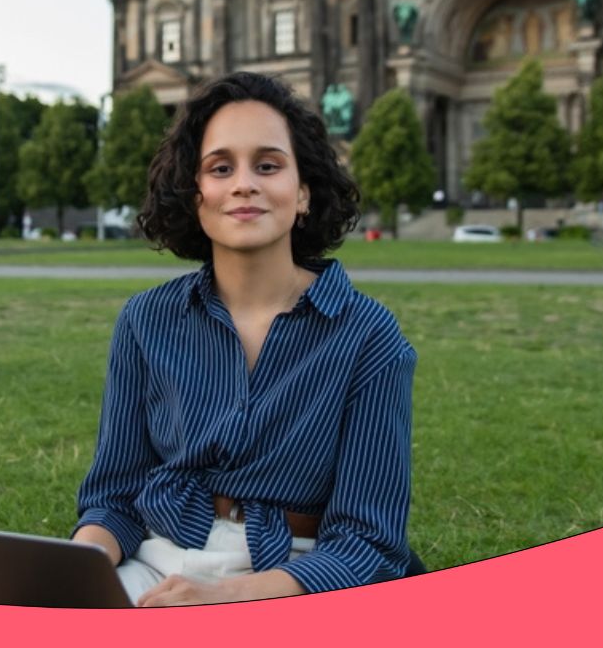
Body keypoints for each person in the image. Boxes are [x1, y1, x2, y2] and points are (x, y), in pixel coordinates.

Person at [71, 71, 419, 606]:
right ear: (195, 195)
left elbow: (366, 541)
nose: (243, 184)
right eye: (220, 167)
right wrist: (80, 571)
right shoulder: (145, 320)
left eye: (268, 165)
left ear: (302, 192)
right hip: (156, 556)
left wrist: (222, 596)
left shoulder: (369, 337)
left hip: (291, 573)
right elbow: (114, 496)